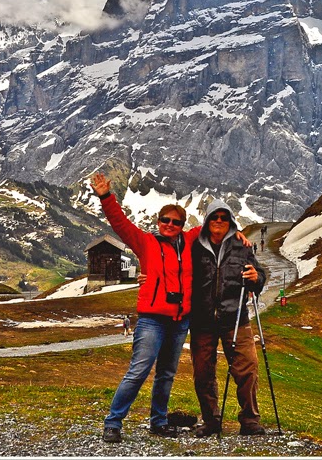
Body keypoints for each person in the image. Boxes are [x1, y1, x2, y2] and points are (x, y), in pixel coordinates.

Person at [90, 173, 251, 443]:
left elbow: (216, 227)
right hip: (152, 320)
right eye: (165, 220)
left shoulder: (189, 242)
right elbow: (119, 223)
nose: (170, 225)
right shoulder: (145, 242)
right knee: (139, 370)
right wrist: (106, 196)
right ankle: (113, 422)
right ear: (158, 222)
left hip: (179, 322)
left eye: (176, 222)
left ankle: (159, 421)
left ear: (182, 226)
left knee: (166, 373)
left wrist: (239, 233)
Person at [189, 200, 268, 437]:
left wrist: (257, 278)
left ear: (231, 221)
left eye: (224, 217)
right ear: (207, 220)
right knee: (203, 372)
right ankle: (211, 420)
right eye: (215, 217)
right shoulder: (194, 247)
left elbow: (259, 276)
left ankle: (250, 420)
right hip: (202, 320)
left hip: (236, 319)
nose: (219, 221)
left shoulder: (241, 247)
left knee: (247, 368)